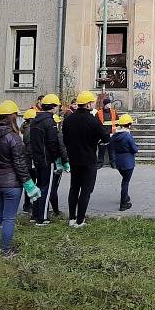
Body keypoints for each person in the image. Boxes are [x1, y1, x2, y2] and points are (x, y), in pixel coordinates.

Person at [0, 100, 41, 255]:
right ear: (12, 116)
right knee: (9, 218)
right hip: (11, 184)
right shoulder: (14, 137)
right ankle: (5, 250)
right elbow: (20, 164)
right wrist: (29, 184)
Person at [62, 90, 111, 228]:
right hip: (89, 160)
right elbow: (105, 137)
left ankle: (71, 218)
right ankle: (80, 220)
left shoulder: (68, 119)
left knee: (74, 188)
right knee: (86, 190)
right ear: (89, 104)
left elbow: (65, 139)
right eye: (93, 103)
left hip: (74, 159)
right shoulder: (93, 120)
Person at [28, 93, 62, 225]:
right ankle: (42, 218)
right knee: (46, 189)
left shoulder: (35, 120)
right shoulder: (50, 122)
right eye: (57, 106)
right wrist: (57, 158)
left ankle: (34, 214)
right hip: (47, 159)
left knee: (38, 186)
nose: (57, 109)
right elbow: (53, 143)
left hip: (37, 158)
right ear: (53, 107)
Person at [108, 114, 138, 211]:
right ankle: (123, 203)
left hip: (118, 162)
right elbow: (134, 150)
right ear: (128, 125)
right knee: (125, 182)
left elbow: (111, 149)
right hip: (128, 162)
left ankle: (126, 196)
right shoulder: (128, 137)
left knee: (124, 180)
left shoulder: (114, 136)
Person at [50, 113, 70, 217]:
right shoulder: (58, 134)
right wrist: (66, 162)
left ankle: (39, 210)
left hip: (44, 162)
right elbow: (62, 150)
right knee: (53, 187)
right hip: (56, 163)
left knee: (44, 186)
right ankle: (56, 211)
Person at [20, 108, 37, 214]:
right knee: (32, 182)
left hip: (28, 160)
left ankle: (27, 204)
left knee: (30, 182)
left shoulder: (26, 128)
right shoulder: (30, 130)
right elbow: (30, 148)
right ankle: (28, 205)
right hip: (30, 160)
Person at [96, 98, 117, 168]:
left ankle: (113, 163)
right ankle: (100, 163)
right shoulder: (99, 113)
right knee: (101, 150)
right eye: (109, 103)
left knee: (112, 149)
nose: (110, 105)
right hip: (102, 135)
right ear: (105, 104)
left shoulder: (114, 112)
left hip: (111, 134)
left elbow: (117, 122)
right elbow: (96, 124)